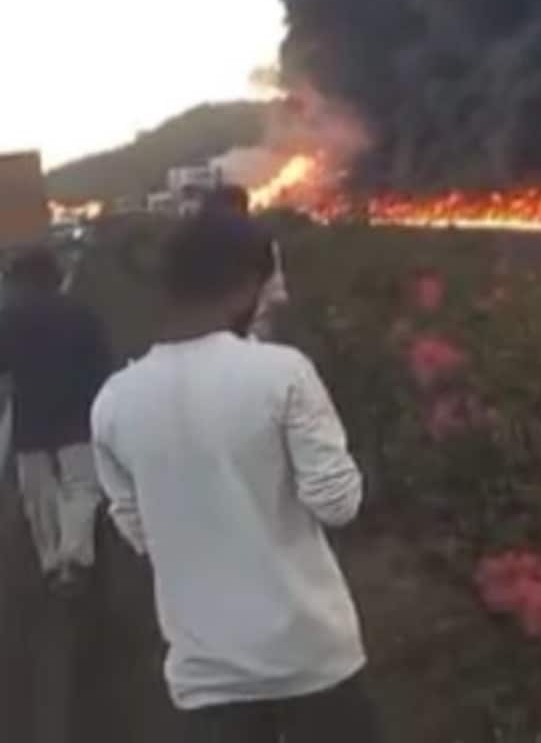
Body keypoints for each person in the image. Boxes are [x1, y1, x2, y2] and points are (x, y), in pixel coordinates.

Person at [92, 209, 378, 741]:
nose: (281, 296)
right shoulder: (282, 372)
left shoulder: (113, 402)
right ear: (244, 283)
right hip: (312, 657)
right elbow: (337, 504)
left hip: (207, 674)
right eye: (275, 278)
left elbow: (137, 531)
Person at [0, 244, 114, 593]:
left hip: (30, 416)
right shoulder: (83, 314)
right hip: (77, 413)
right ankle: (75, 557)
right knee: (80, 486)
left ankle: (49, 559)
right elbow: (103, 362)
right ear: (56, 276)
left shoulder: (10, 317)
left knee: (38, 492)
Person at [198, 184, 289, 341]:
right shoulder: (262, 239)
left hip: (218, 330)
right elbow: (276, 293)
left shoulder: (199, 242)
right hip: (252, 326)